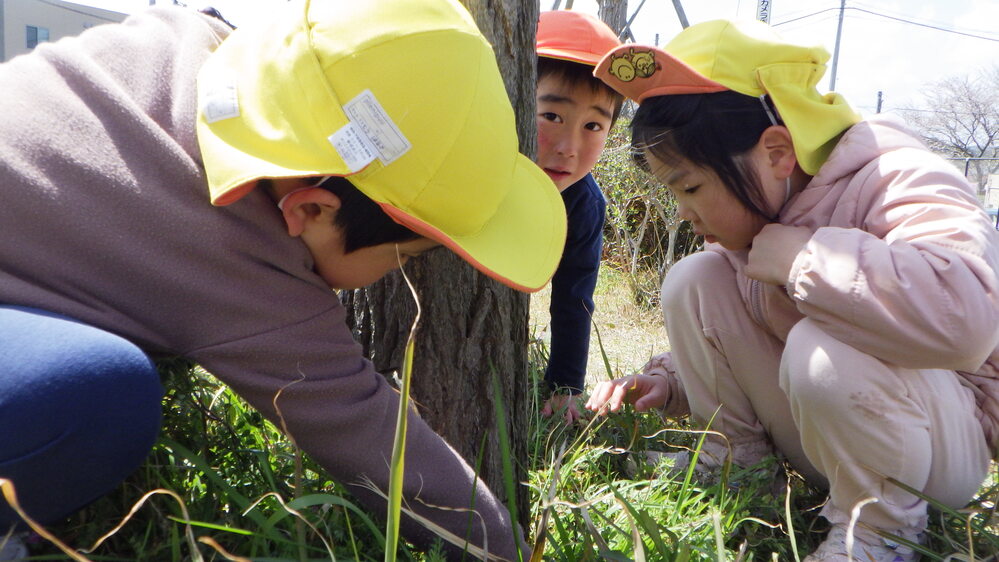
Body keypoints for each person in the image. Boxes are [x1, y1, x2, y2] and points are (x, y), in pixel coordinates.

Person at [0, 0, 568, 559]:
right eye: (404, 256)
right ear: (314, 211)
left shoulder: (193, 40)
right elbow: (365, 431)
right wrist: (506, 551)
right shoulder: (238, 260)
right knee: (99, 396)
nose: (403, 271)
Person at [585, 19, 999, 561]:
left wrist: (808, 258)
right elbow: (746, 335)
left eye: (688, 187)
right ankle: (738, 468)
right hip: (835, 437)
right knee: (695, 277)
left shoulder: (899, 176)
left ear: (778, 151)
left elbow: (967, 320)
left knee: (820, 344)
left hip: (937, 451)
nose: (683, 212)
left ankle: (878, 534)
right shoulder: (761, 220)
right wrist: (671, 382)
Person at [533, 10, 623, 423]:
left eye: (592, 125)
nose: (569, 146)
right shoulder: (474, 170)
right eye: (552, 116)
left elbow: (574, 299)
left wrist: (566, 386)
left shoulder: (584, 206)